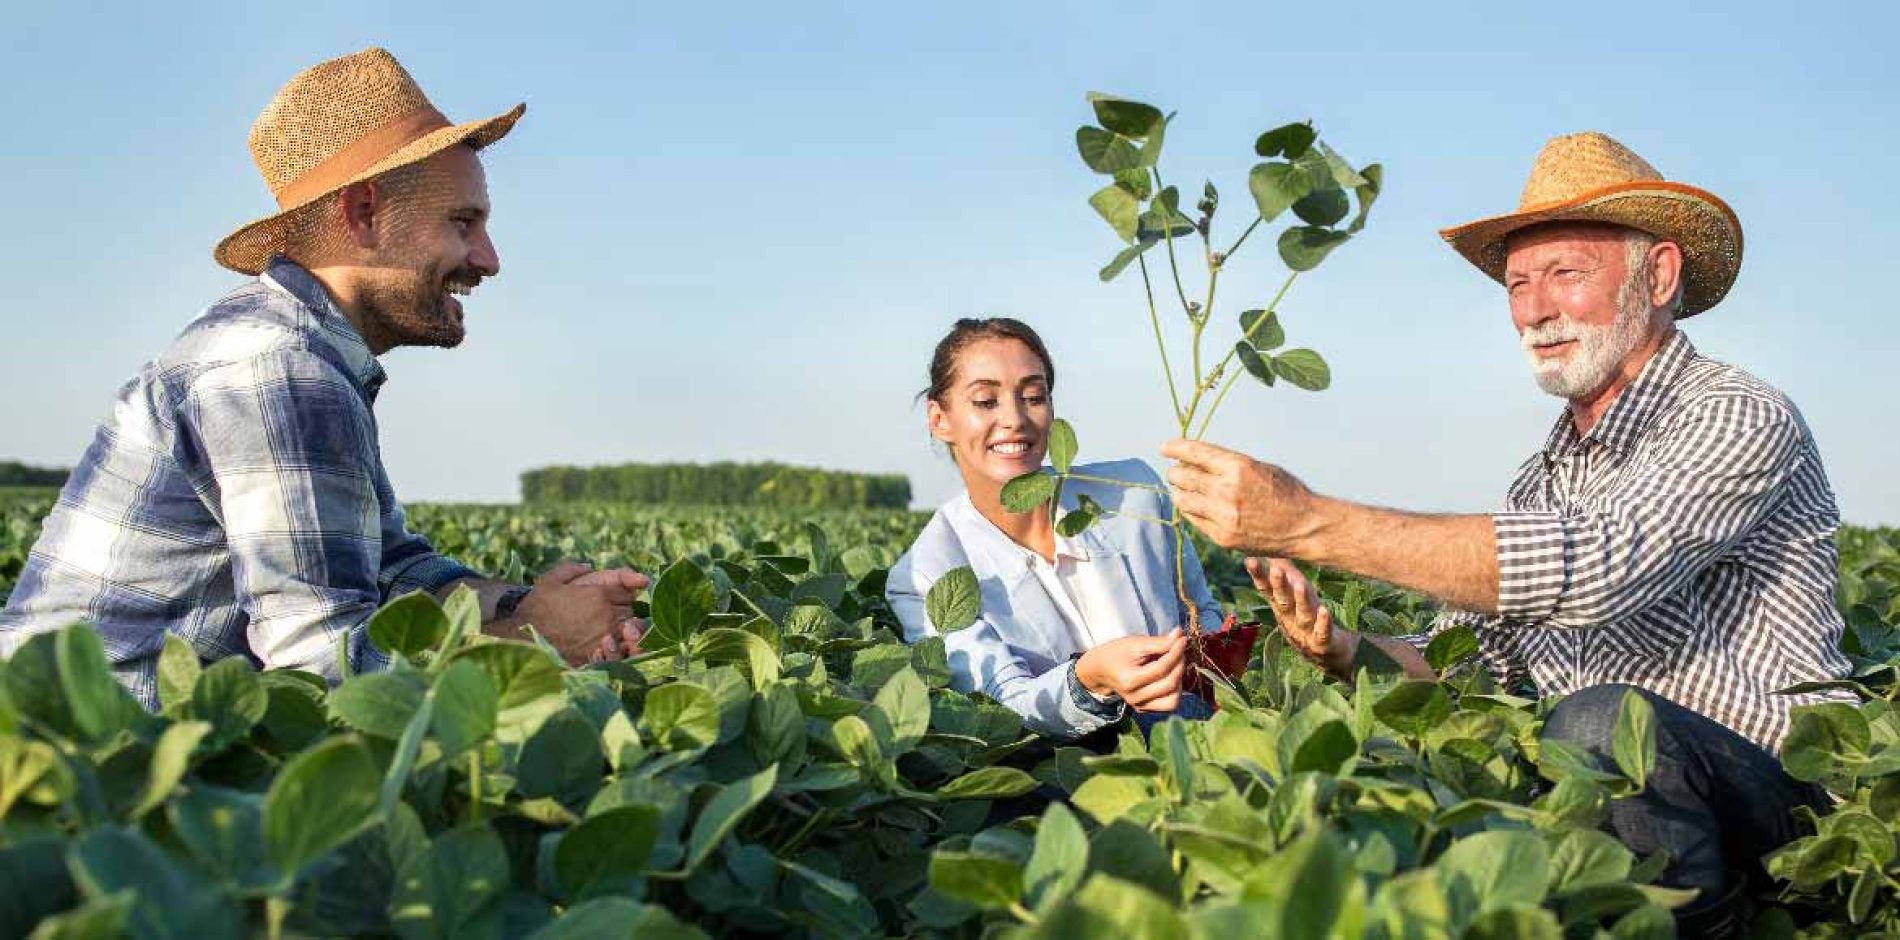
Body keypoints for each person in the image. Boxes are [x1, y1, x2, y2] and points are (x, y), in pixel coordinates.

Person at [1161, 132, 1851, 936]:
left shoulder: (1736, 412)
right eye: (1518, 283)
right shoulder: (1542, 478)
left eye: (1565, 274)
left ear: (1658, 275)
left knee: (1600, 726)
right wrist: (1344, 650)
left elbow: (1599, 567)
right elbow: (1465, 667)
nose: (1533, 309)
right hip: (1614, 808)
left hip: (1779, 806)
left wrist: (1307, 520)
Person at [0, 48, 645, 708]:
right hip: (74, 765)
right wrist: (535, 641)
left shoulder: (312, 356)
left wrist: (527, 603)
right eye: (463, 222)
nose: (489, 259)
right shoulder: (276, 367)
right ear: (364, 213)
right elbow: (320, 668)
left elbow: (390, 569)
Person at [886, 317, 1228, 740]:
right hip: (1053, 784)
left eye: (1033, 395)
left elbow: (1202, 614)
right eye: (986, 401)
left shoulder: (1133, 492)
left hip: (1193, 744)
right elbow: (1003, 703)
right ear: (940, 419)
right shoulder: (925, 574)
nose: (1014, 419)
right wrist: (1087, 681)